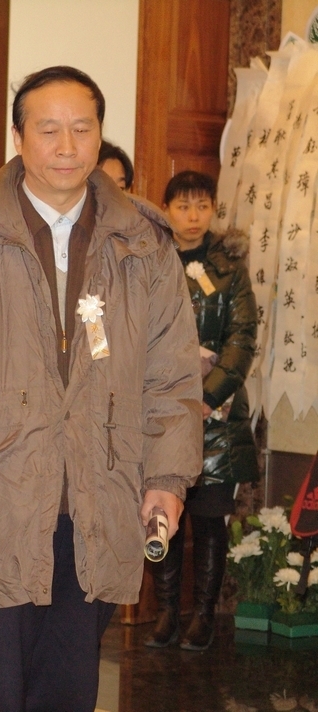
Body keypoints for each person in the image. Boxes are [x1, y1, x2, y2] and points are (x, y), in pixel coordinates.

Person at [0, 66, 203, 712]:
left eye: (82, 129)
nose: (67, 146)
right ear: (19, 139)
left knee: (69, 692)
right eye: (48, 130)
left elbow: (173, 373)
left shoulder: (142, 243)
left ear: (100, 135)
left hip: (101, 501)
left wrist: (166, 478)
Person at [146, 170, 258, 651]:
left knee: (210, 521)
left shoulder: (230, 267)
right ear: (166, 209)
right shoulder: (150, 259)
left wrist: (206, 399)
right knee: (161, 514)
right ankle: (167, 611)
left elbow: (241, 339)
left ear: (213, 210)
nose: (193, 216)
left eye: (203, 206)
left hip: (217, 416)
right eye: (183, 206)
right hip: (163, 411)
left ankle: (204, 614)